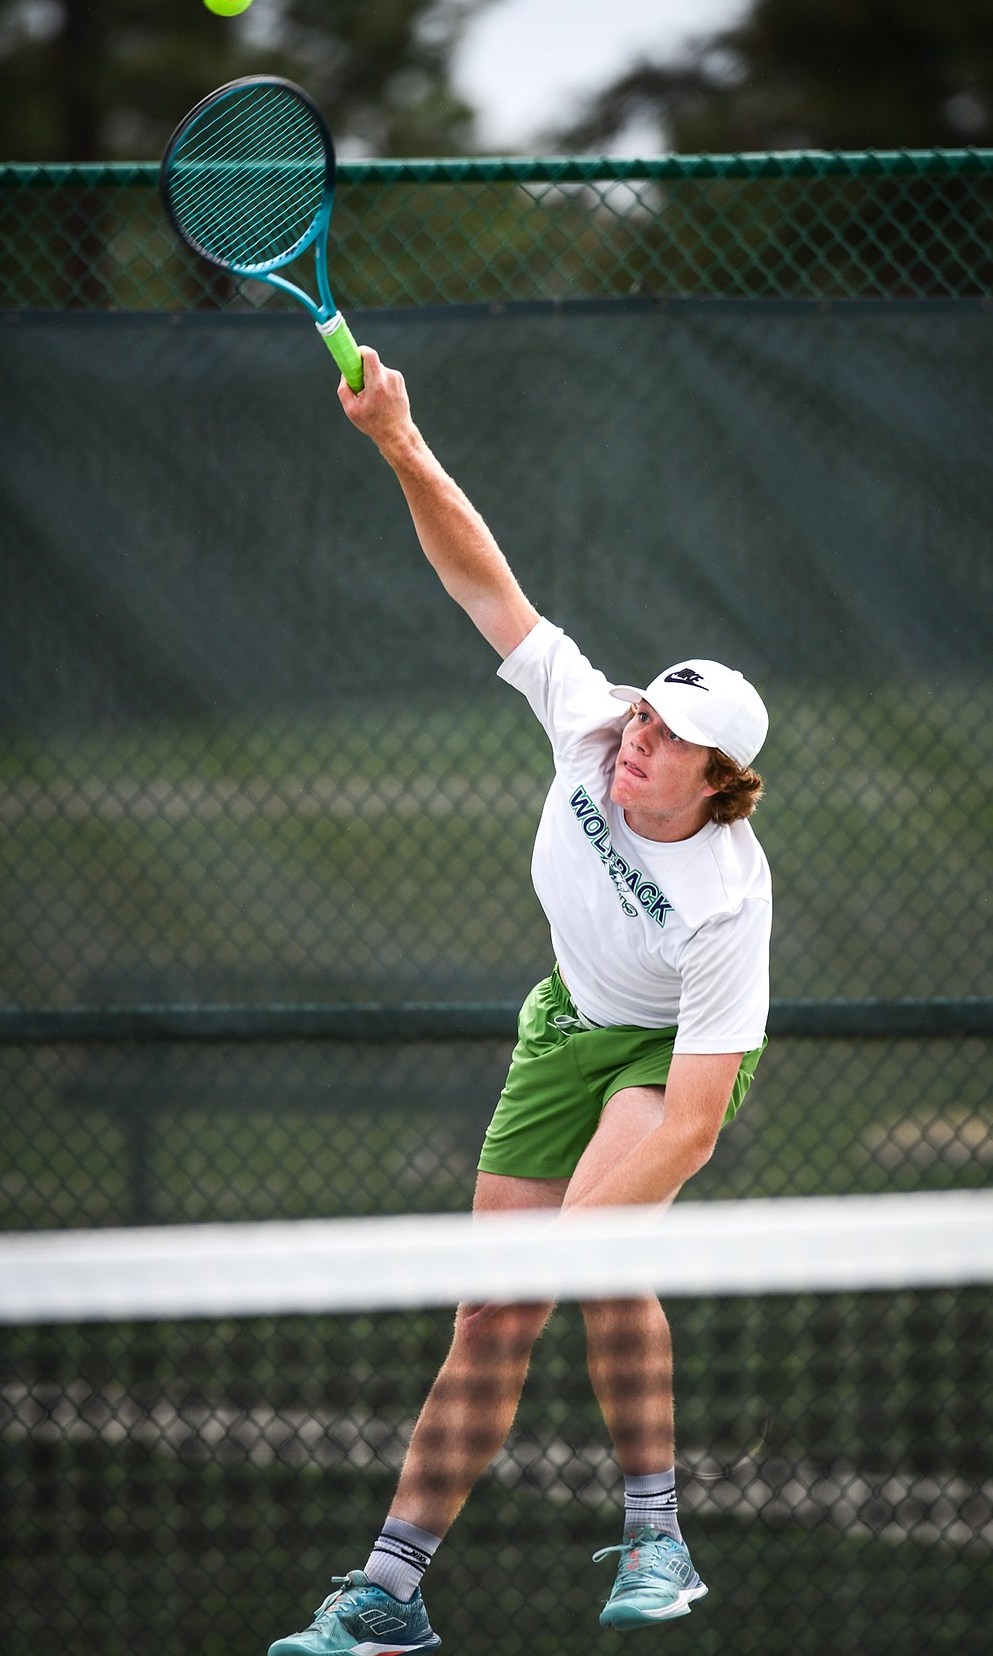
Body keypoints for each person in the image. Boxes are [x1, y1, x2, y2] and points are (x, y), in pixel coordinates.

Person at [268, 349, 772, 1655]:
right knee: (488, 1315)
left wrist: (576, 1233)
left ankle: (660, 1542)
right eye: (642, 718)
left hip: (664, 1064)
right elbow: (479, 575)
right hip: (565, 1027)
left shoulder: (724, 896)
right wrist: (398, 439)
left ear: (717, 783)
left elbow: (696, 1122)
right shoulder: (591, 723)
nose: (636, 743)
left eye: (666, 742)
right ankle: (388, 1597)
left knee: (589, 1267)